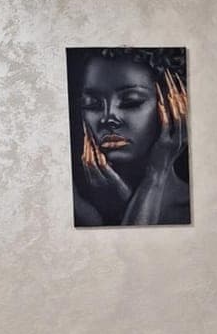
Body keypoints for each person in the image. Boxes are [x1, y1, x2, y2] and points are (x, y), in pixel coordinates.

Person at [70, 48, 190, 226]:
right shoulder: (74, 207)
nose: (108, 118)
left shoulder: (195, 209)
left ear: (175, 107)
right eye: (92, 104)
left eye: (131, 101)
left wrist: (156, 174)